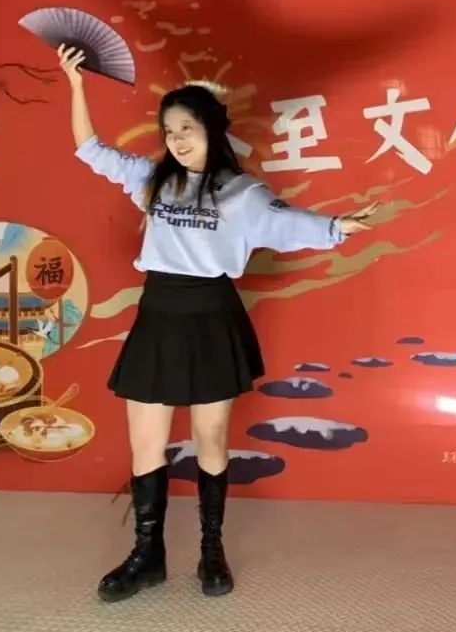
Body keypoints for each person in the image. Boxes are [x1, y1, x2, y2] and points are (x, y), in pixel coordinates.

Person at [56, 44, 378, 603]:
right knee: (145, 445)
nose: (177, 140)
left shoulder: (242, 192)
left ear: (211, 128)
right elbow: (90, 148)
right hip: (159, 315)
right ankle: (148, 556)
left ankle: (211, 549)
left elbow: (287, 223)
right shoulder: (152, 180)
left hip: (210, 316)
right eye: (169, 131)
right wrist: (76, 85)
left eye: (187, 128)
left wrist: (336, 226)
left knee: (211, 441)